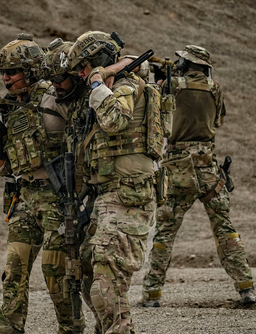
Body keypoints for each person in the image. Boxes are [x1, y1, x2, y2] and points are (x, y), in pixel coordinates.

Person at [0, 33, 85, 333]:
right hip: (24, 197)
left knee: (56, 271)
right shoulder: (9, 107)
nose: (6, 79)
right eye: (3, 73)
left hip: (58, 198)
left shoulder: (55, 98)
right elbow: (5, 166)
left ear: (31, 70)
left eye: (12, 72)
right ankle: (8, 328)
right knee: (13, 271)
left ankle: (72, 328)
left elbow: (85, 134)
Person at [140, 45, 256, 307]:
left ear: (185, 63)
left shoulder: (172, 85)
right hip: (207, 167)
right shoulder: (215, 88)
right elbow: (218, 122)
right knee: (225, 230)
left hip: (177, 166)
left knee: (165, 233)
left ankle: (151, 294)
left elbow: (154, 114)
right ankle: (246, 288)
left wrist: (160, 82)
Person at [65, 31, 160, 334]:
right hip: (106, 196)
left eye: (84, 67)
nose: (81, 74)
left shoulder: (127, 85)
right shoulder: (111, 85)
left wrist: (96, 82)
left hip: (127, 196)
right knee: (87, 272)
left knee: (107, 288)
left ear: (99, 61)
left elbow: (115, 120)